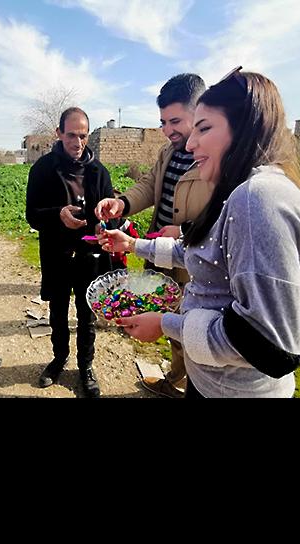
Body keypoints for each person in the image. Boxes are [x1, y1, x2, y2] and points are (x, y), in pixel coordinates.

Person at [98, 67, 300, 398]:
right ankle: (178, 378)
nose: (189, 141)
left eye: (203, 128)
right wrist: (132, 242)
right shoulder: (239, 186)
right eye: (164, 123)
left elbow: (270, 344)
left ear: (243, 128)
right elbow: (203, 250)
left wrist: (164, 323)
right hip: (213, 381)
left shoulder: (256, 199)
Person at [95, 73, 214, 399]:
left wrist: (186, 230)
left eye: (175, 120)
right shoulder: (169, 152)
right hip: (159, 252)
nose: (168, 130)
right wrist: (122, 204)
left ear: (199, 112)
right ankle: (176, 379)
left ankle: (193, 386)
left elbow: (224, 211)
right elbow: (150, 185)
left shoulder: (216, 156)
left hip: (192, 261)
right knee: (170, 322)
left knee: (192, 325)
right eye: (162, 122)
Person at [26, 107, 120, 397]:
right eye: (71, 136)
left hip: (90, 257)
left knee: (86, 315)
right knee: (57, 312)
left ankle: (85, 367)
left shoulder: (99, 172)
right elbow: (32, 215)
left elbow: (113, 214)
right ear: (59, 134)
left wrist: (108, 223)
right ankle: (58, 359)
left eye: (82, 136)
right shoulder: (42, 169)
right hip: (56, 255)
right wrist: (58, 215)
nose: (77, 143)